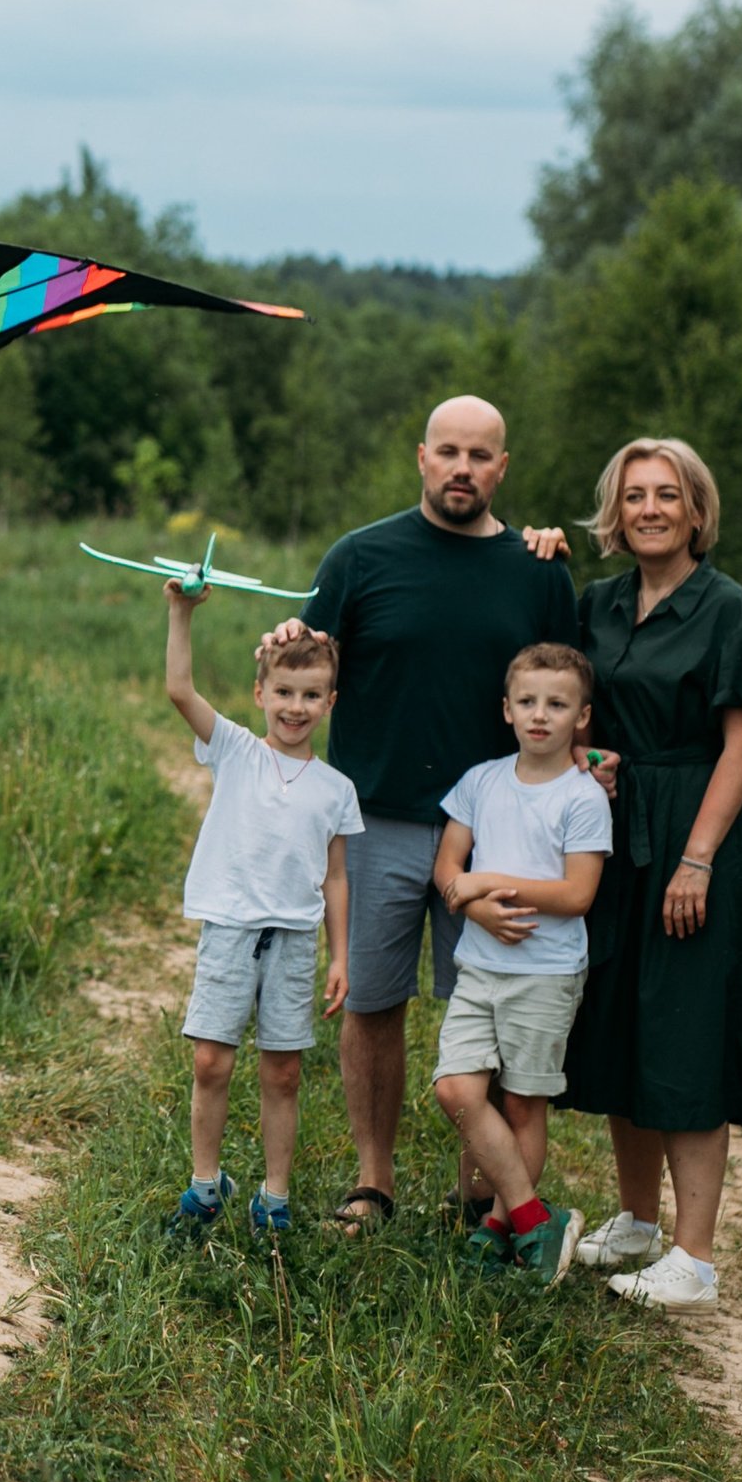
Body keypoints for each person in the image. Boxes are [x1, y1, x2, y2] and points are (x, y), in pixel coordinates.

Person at [270, 396, 577, 1236]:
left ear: (502, 468)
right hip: (375, 820)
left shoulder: (539, 571)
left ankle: (482, 1189)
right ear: (421, 457)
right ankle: (374, 1181)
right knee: (373, 1003)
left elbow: (574, 692)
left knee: (498, 1002)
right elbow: (302, 668)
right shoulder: (361, 557)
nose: (463, 469)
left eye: (481, 455)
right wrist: (278, 643)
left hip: (494, 834)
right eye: (449, 451)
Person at [560, 437, 742, 1314]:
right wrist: (590, 756)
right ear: (616, 510)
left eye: (668, 494)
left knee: (684, 1029)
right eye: (635, 494)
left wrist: (697, 857)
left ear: (696, 511)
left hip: (697, 834)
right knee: (624, 1020)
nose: (650, 508)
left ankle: (695, 1257)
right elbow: (575, 709)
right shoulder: (599, 602)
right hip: (616, 829)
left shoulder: (727, 609)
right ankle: (639, 1220)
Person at [162, 579, 362, 1238]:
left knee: (283, 1070)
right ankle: (203, 1187)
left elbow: (335, 876)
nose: (295, 707)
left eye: (310, 696)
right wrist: (181, 613)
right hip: (230, 928)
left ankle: (273, 1198)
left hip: (296, 938)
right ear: (260, 694)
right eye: (283, 692)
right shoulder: (236, 750)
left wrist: (342, 955)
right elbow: (179, 692)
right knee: (211, 1061)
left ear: (331, 702)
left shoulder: (336, 789)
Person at [429, 643, 613, 1284]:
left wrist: (492, 881)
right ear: (506, 709)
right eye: (528, 702)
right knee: (456, 1087)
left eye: (557, 704)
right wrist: (471, 902)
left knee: (524, 1105)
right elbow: (448, 869)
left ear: (581, 717)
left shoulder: (584, 796)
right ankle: (539, 1218)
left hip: (546, 971)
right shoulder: (481, 781)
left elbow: (577, 895)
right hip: (479, 966)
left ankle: (500, 1226)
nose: (541, 715)